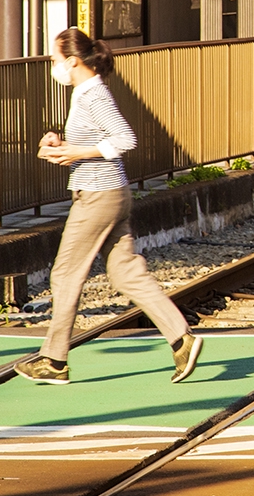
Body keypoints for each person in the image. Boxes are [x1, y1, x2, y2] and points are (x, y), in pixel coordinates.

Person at [14, 28, 203, 386]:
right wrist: (61, 143)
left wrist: (77, 152)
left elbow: (124, 138)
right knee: (125, 273)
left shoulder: (90, 93)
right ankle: (182, 339)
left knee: (65, 274)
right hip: (111, 192)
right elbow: (98, 140)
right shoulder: (88, 91)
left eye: (55, 60)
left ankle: (53, 361)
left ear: (72, 61)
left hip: (97, 196)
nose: (53, 67)